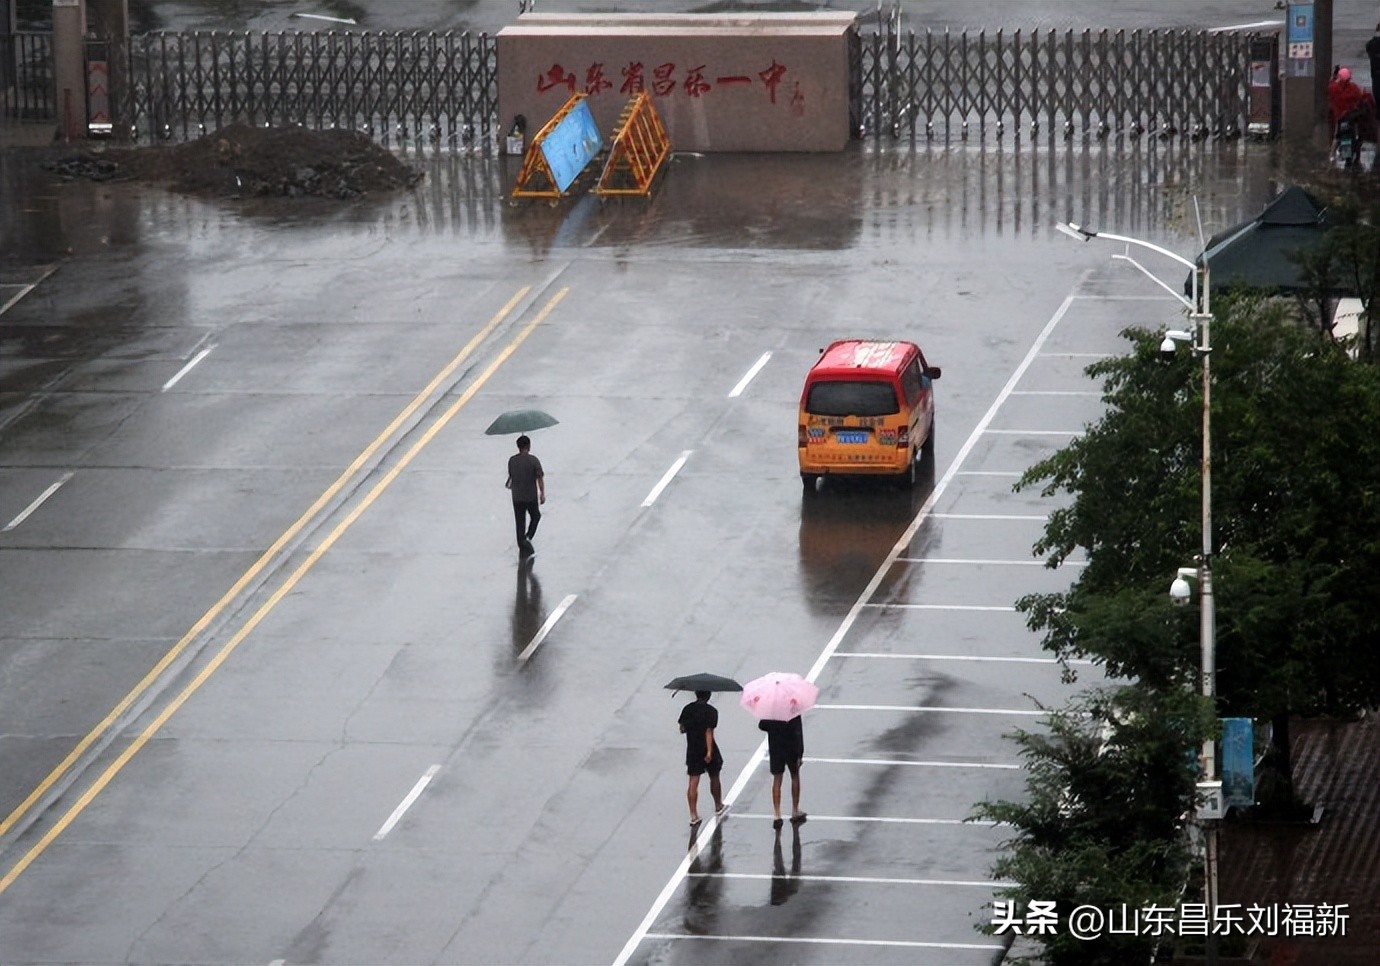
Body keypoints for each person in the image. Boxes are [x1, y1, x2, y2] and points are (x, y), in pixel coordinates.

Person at [678, 691, 727, 826]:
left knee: (693, 781)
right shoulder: (711, 711)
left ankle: (693, 815)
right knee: (714, 776)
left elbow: (682, 728)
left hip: (692, 748)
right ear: (708, 696)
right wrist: (709, 752)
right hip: (707, 747)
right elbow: (709, 731)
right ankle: (718, 805)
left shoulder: (687, 709)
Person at [759, 714, 805, 829]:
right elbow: (798, 731)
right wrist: (800, 753)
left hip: (776, 747)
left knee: (777, 779)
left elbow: (762, 725)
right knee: (794, 776)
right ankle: (795, 810)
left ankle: (777, 814)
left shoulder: (772, 711)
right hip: (792, 746)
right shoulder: (793, 710)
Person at [505, 434, 544, 557]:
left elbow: (511, 476)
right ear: (529, 446)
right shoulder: (534, 460)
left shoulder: (512, 460)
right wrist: (542, 493)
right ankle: (528, 537)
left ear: (518, 447)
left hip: (517, 496)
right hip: (530, 496)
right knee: (536, 516)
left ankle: (522, 545)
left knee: (520, 522)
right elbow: (539, 478)